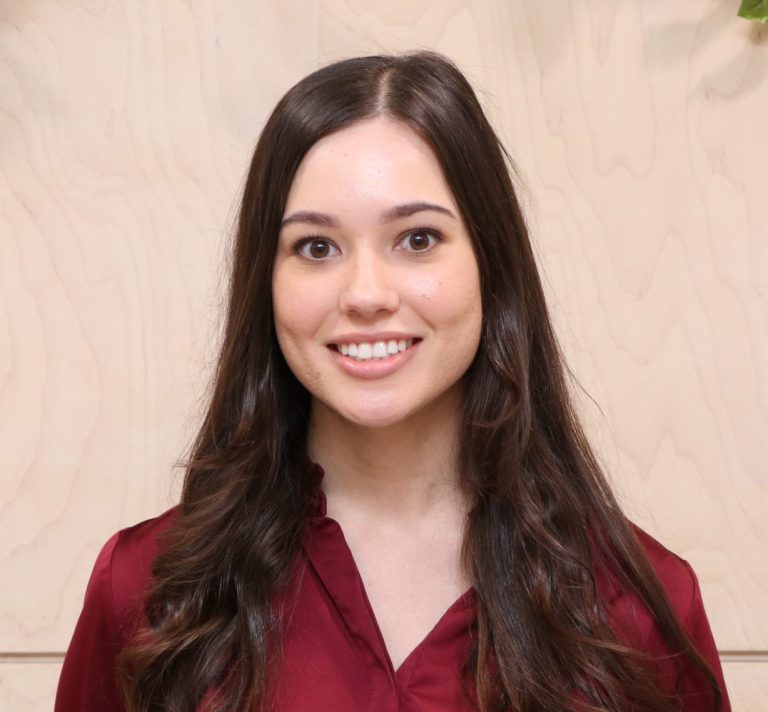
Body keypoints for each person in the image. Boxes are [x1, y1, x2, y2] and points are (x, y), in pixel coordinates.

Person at [55, 50, 731, 712]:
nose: (366, 294)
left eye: (416, 239)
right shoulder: (145, 592)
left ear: (491, 265)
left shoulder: (641, 612)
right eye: (316, 248)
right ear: (267, 282)